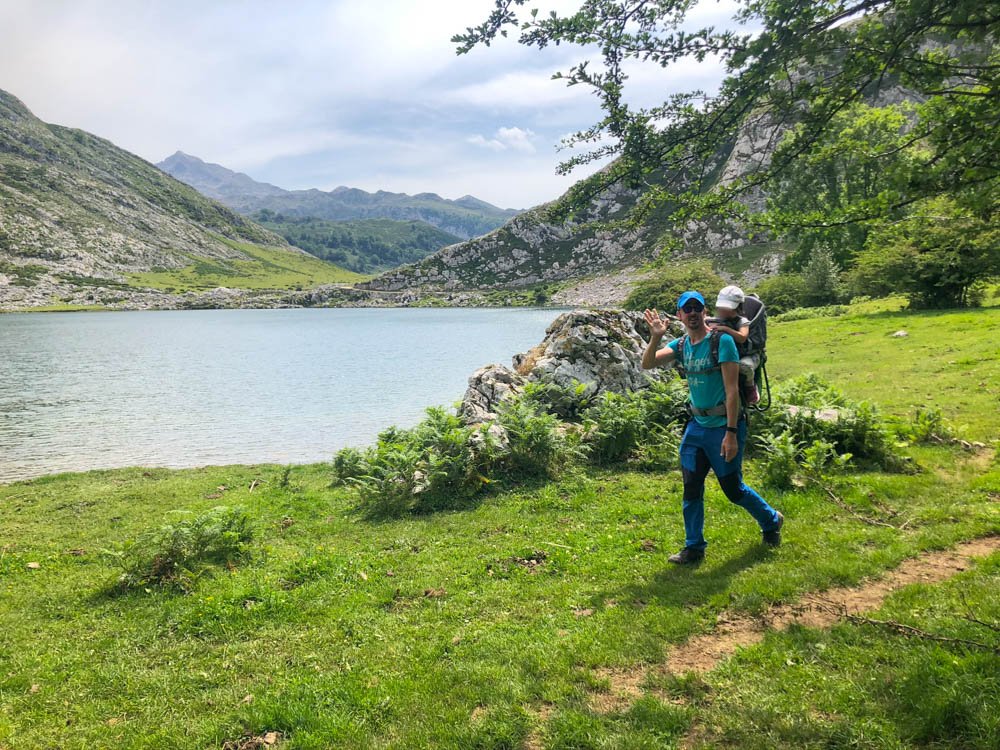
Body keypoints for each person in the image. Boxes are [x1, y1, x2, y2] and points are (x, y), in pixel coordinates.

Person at [641, 291, 783, 563]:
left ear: (705, 312)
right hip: (696, 428)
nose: (693, 313)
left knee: (733, 489)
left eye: (697, 308)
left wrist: (731, 435)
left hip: (724, 427)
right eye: (687, 309)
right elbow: (647, 363)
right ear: (680, 315)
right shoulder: (681, 345)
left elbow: (731, 392)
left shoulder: (723, 341)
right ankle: (694, 547)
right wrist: (656, 336)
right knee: (691, 487)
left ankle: (771, 520)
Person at [707, 285, 760, 405]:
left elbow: (742, 337)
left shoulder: (742, 321)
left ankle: (750, 385)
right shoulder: (716, 320)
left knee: (744, 366)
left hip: (745, 356)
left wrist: (726, 329)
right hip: (727, 355)